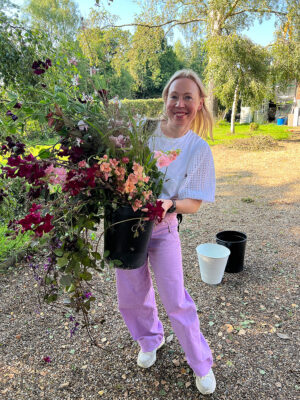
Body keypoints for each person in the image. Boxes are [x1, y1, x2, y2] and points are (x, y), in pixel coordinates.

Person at [115, 69, 216, 395]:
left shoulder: (198, 149)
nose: (180, 103)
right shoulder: (143, 131)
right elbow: (118, 166)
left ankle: (200, 363)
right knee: (131, 294)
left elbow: (194, 203)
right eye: (175, 96)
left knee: (176, 299)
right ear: (165, 99)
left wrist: (167, 205)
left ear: (200, 103)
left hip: (162, 229)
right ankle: (149, 339)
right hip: (128, 225)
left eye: (188, 97)